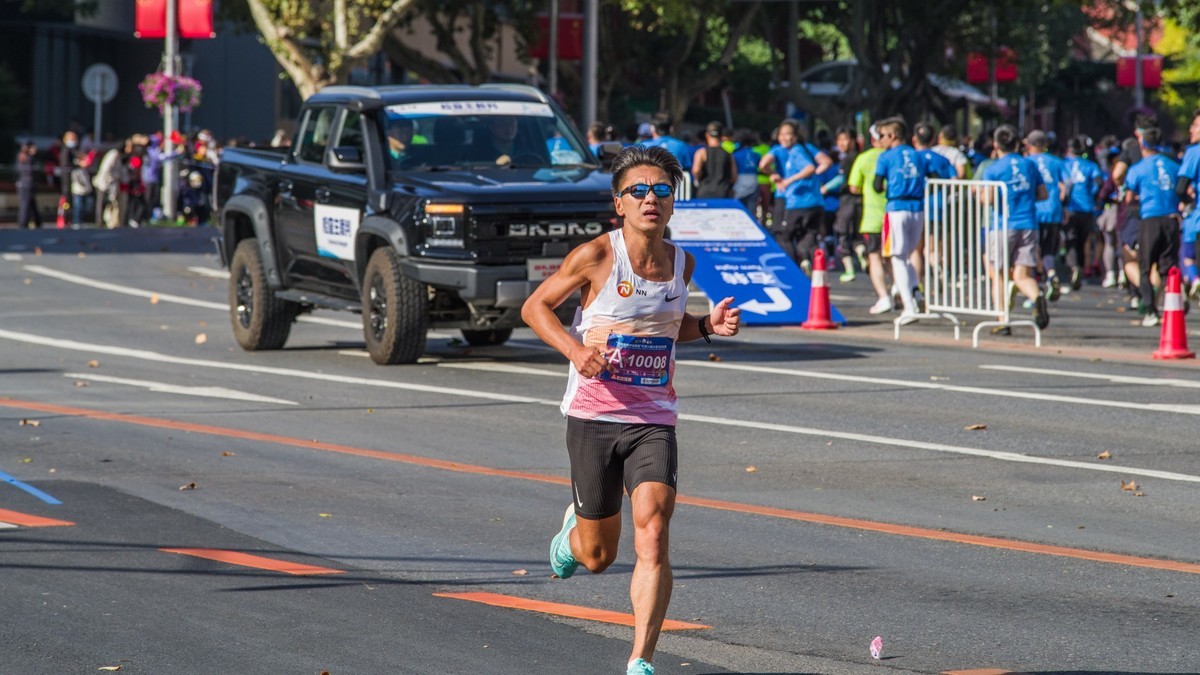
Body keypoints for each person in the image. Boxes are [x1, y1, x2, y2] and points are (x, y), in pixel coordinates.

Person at [521, 145, 741, 675]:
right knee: (599, 557)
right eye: (638, 191)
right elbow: (535, 308)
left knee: (655, 528)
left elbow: (671, 327)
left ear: (672, 202)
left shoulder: (681, 262)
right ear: (618, 203)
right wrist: (577, 351)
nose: (651, 199)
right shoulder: (596, 256)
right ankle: (573, 537)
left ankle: (641, 659)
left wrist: (708, 326)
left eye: (662, 190)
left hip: (653, 418)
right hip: (594, 415)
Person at [980, 124, 1050, 331]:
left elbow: (990, 199)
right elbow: (1043, 194)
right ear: (1018, 143)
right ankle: (1037, 296)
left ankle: (1002, 321)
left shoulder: (992, 169)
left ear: (995, 144)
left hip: (1003, 224)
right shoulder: (1029, 165)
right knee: (1022, 275)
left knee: (999, 274)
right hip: (1028, 223)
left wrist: (979, 196)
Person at [1124, 124, 1181, 326]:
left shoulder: (1138, 168)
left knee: (1145, 267)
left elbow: (1129, 197)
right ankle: (1174, 305)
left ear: (1143, 143)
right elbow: (1185, 189)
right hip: (1172, 219)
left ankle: (1150, 311)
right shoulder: (1174, 166)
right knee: (1169, 267)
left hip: (1150, 219)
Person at [873, 117, 927, 323]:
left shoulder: (886, 157)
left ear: (892, 136)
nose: (880, 140)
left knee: (898, 257)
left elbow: (876, 185)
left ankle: (908, 306)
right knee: (911, 253)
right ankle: (916, 292)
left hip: (896, 208)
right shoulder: (918, 155)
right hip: (918, 208)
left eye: (882, 136)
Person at [761, 119, 832, 272]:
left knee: (784, 235)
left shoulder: (794, 151)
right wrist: (813, 179)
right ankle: (806, 260)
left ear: (795, 136)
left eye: (788, 134)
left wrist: (788, 180)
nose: (785, 138)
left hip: (795, 200)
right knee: (807, 235)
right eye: (782, 134)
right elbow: (825, 162)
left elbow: (809, 168)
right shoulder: (806, 148)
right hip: (815, 200)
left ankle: (792, 270)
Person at [848, 124, 892, 313]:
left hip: (873, 217)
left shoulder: (864, 158)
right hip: (894, 215)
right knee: (894, 258)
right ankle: (903, 293)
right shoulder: (896, 157)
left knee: (874, 257)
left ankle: (884, 297)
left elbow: (854, 187)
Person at [1025, 130, 1070, 302]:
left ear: (1028, 144)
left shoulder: (1027, 162)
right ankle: (1051, 275)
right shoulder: (1057, 162)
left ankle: (1036, 289)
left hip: (1034, 211)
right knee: (1049, 249)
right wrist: (1064, 206)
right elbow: (1066, 186)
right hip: (1053, 210)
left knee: (1032, 249)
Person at [1063, 135, 1103, 292]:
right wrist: (1091, 194)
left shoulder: (1064, 164)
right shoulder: (1091, 165)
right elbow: (1099, 182)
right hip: (1087, 208)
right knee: (1084, 240)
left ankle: (1074, 266)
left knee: (1070, 239)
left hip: (1070, 208)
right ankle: (1080, 265)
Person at [1175, 109, 1200, 300]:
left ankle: (1195, 280)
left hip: (1197, 218)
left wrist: (1187, 202)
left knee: (1188, 256)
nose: (1191, 130)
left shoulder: (1194, 152)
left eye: (1195, 126)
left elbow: (1181, 187)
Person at [691, 121, 737, 198]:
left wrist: (698, 179)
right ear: (721, 136)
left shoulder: (701, 153)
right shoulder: (728, 154)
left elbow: (696, 170)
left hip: (704, 190)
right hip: (723, 192)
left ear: (707, 135)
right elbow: (734, 176)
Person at [730, 130, 762, 215]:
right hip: (753, 181)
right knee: (751, 209)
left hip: (739, 181)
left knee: (738, 208)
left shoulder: (735, 155)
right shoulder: (756, 154)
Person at [15, 142, 42, 229]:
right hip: (28, 184)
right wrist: (32, 156)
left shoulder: (21, 157)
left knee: (31, 204)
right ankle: (23, 223)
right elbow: (31, 171)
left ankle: (37, 221)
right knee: (25, 204)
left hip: (24, 183)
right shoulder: (28, 158)